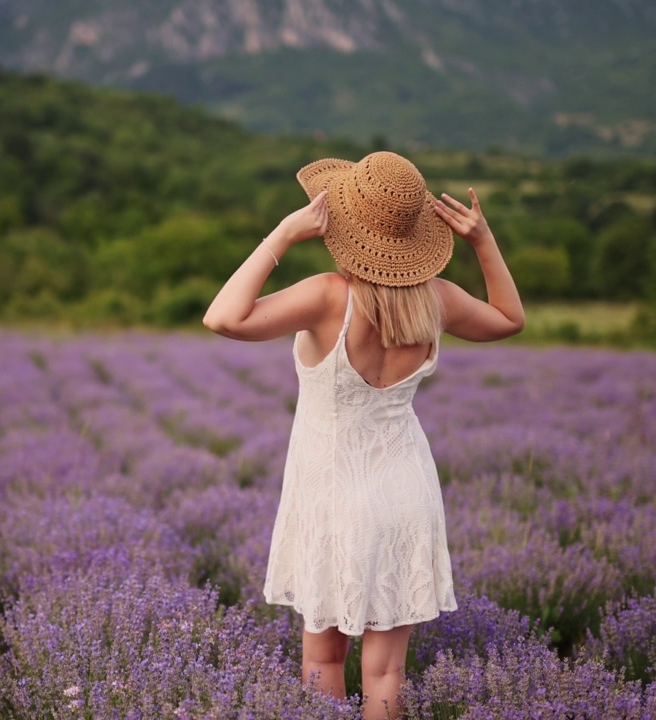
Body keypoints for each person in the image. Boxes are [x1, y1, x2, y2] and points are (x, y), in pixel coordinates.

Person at [202, 151, 524, 719]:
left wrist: (283, 233)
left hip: (330, 495)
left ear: (346, 228)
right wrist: (483, 241)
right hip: (404, 492)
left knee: (323, 659)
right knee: (386, 671)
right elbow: (508, 319)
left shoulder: (327, 296)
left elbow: (224, 317)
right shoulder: (438, 299)